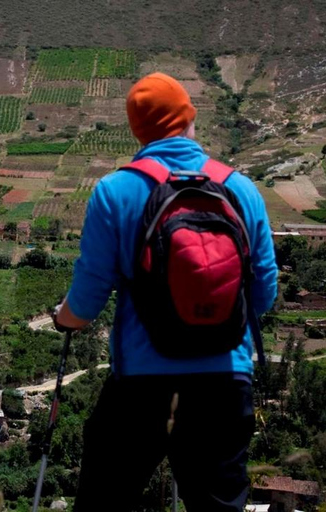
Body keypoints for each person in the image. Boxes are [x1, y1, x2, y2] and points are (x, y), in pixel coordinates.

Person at [54, 73, 278, 511]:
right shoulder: (240, 190)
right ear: (190, 120)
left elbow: (86, 301)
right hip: (224, 384)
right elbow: (263, 293)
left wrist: (64, 318)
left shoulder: (115, 192)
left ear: (138, 131)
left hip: (141, 385)